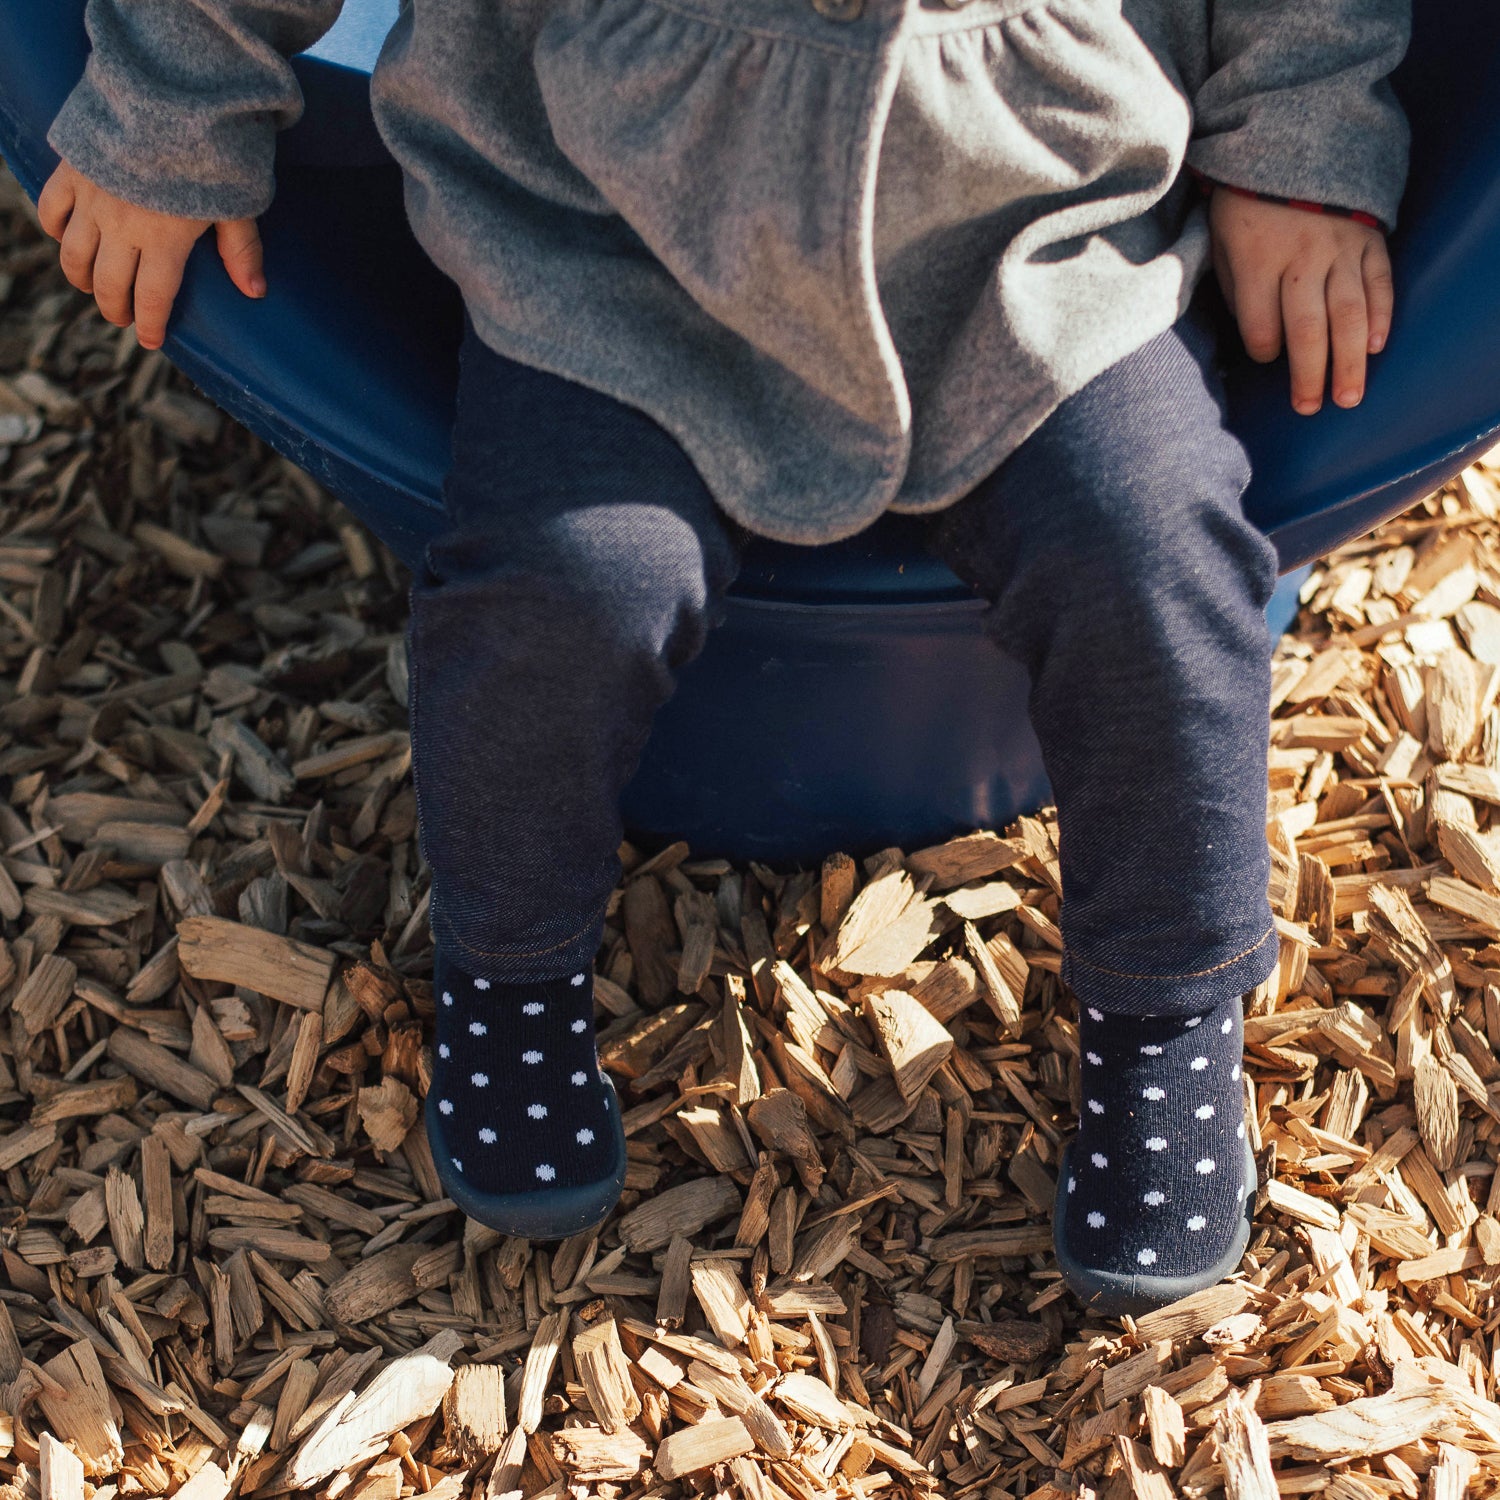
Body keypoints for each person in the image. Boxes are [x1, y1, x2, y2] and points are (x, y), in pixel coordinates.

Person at [35, 0, 1410, 1315]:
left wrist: (1294, 144)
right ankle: (510, 974)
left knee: (1152, 556)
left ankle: (1167, 1014)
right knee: (569, 581)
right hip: (610, 232)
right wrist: (174, 100)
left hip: (1039, 227)